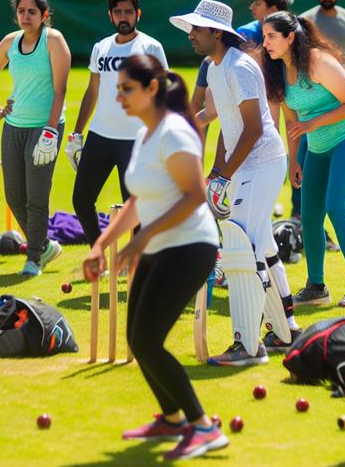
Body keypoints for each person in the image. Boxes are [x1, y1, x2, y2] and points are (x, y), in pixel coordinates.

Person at [83, 54, 228, 461]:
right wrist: (101, 244)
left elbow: (196, 195)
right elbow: (137, 198)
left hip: (190, 248)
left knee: (147, 341)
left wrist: (143, 236)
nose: (120, 97)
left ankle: (203, 427)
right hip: (159, 246)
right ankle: (172, 418)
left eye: (127, 89)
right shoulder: (145, 134)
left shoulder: (174, 132)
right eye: (118, 89)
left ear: (151, 89)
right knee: (137, 338)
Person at [172, 0, 296, 364]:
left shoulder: (240, 67)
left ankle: (248, 345)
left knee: (240, 244)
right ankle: (285, 330)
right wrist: (216, 169)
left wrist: (226, 173)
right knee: (261, 242)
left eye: (197, 29)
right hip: (246, 164)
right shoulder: (214, 68)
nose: (191, 35)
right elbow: (224, 120)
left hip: (263, 161)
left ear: (217, 32)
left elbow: (254, 128)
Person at [260, 11, 345, 309]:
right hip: (317, 148)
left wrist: (312, 124)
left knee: (336, 207)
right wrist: (294, 159)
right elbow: (290, 120)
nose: (265, 42)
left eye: (271, 36)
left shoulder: (318, 62)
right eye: (264, 36)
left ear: (290, 37)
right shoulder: (277, 71)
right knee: (309, 218)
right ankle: (316, 286)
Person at [68, 0, 168, 246]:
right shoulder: (101, 47)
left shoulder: (150, 46)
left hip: (135, 139)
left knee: (135, 207)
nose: (124, 17)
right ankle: (98, 252)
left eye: (129, 12)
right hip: (100, 136)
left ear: (138, 14)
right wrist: (77, 134)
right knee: (81, 199)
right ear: (110, 15)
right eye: (118, 12)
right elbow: (92, 91)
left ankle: (136, 267)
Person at [0, 0, 70, 276]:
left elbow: (60, 90)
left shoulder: (53, 40)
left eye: (32, 11)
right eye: (21, 11)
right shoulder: (10, 42)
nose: (26, 16)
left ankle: (33, 258)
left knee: (36, 197)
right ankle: (44, 245)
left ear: (44, 15)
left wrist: (50, 131)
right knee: (14, 197)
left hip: (45, 127)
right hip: (14, 126)